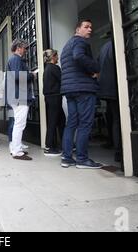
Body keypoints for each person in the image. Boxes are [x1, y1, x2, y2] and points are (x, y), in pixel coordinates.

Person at [60, 19, 103, 169]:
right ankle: (82, 159)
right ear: (77, 30)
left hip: (69, 89)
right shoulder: (80, 42)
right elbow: (79, 57)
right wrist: (95, 69)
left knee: (71, 123)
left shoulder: (67, 46)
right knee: (85, 123)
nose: (90, 29)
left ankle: (66, 157)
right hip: (83, 89)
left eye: (91, 27)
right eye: (86, 27)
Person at [6, 39, 36, 161]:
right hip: (19, 96)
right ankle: (17, 152)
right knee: (19, 124)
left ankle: (15, 148)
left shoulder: (13, 59)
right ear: (18, 47)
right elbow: (18, 77)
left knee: (18, 124)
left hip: (16, 96)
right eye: (25, 48)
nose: (26, 50)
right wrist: (32, 75)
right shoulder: (16, 59)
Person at [97, 39, 122, 162]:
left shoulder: (103, 48)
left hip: (105, 87)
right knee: (117, 119)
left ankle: (111, 141)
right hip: (115, 87)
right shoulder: (117, 44)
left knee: (112, 116)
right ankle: (119, 150)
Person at [43, 49, 65, 157]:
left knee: (60, 121)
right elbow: (62, 80)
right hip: (55, 97)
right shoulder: (55, 68)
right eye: (57, 56)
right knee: (54, 122)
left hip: (49, 98)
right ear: (53, 57)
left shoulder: (46, 69)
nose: (58, 58)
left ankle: (64, 144)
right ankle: (49, 147)